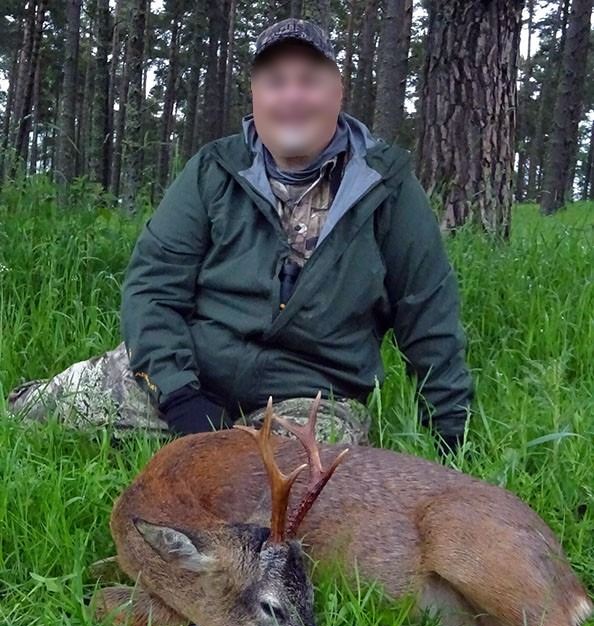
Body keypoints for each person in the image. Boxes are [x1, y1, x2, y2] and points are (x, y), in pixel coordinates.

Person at [7, 18, 472, 451]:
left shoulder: (384, 186)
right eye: (275, 82)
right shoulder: (214, 169)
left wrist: (452, 433)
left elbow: (427, 309)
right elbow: (153, 288)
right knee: (28, 415)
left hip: (309, 397)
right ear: (255, 95)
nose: (292, 96)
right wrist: (179, 394)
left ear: (337, 92)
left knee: (294, 483)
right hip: (190, 376)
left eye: (309, 81)